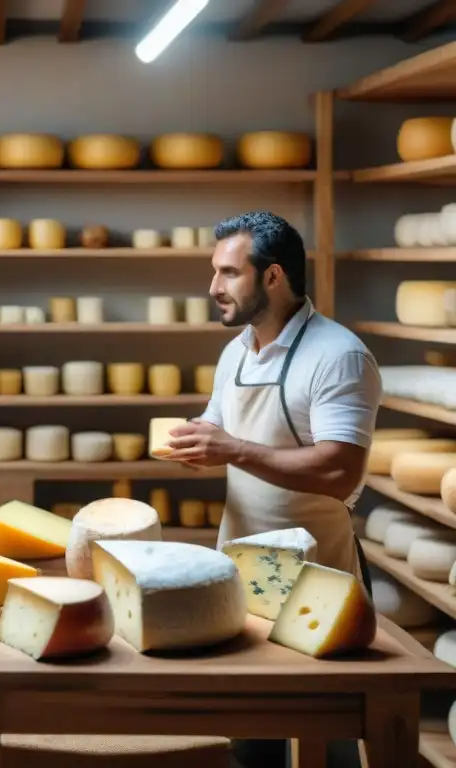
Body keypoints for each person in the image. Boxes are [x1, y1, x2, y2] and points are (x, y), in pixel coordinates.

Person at [163, 211, 381, 768]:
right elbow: (221, 428)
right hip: (241, 570)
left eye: (229, 273)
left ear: (273, 277)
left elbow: (340, 472)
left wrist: (232, 449)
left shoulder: (338, 355)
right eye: (214, 272)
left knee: (324, 737)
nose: (213, 288)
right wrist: (195, 444)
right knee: (250, 736)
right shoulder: (236, 351)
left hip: (318, 581)